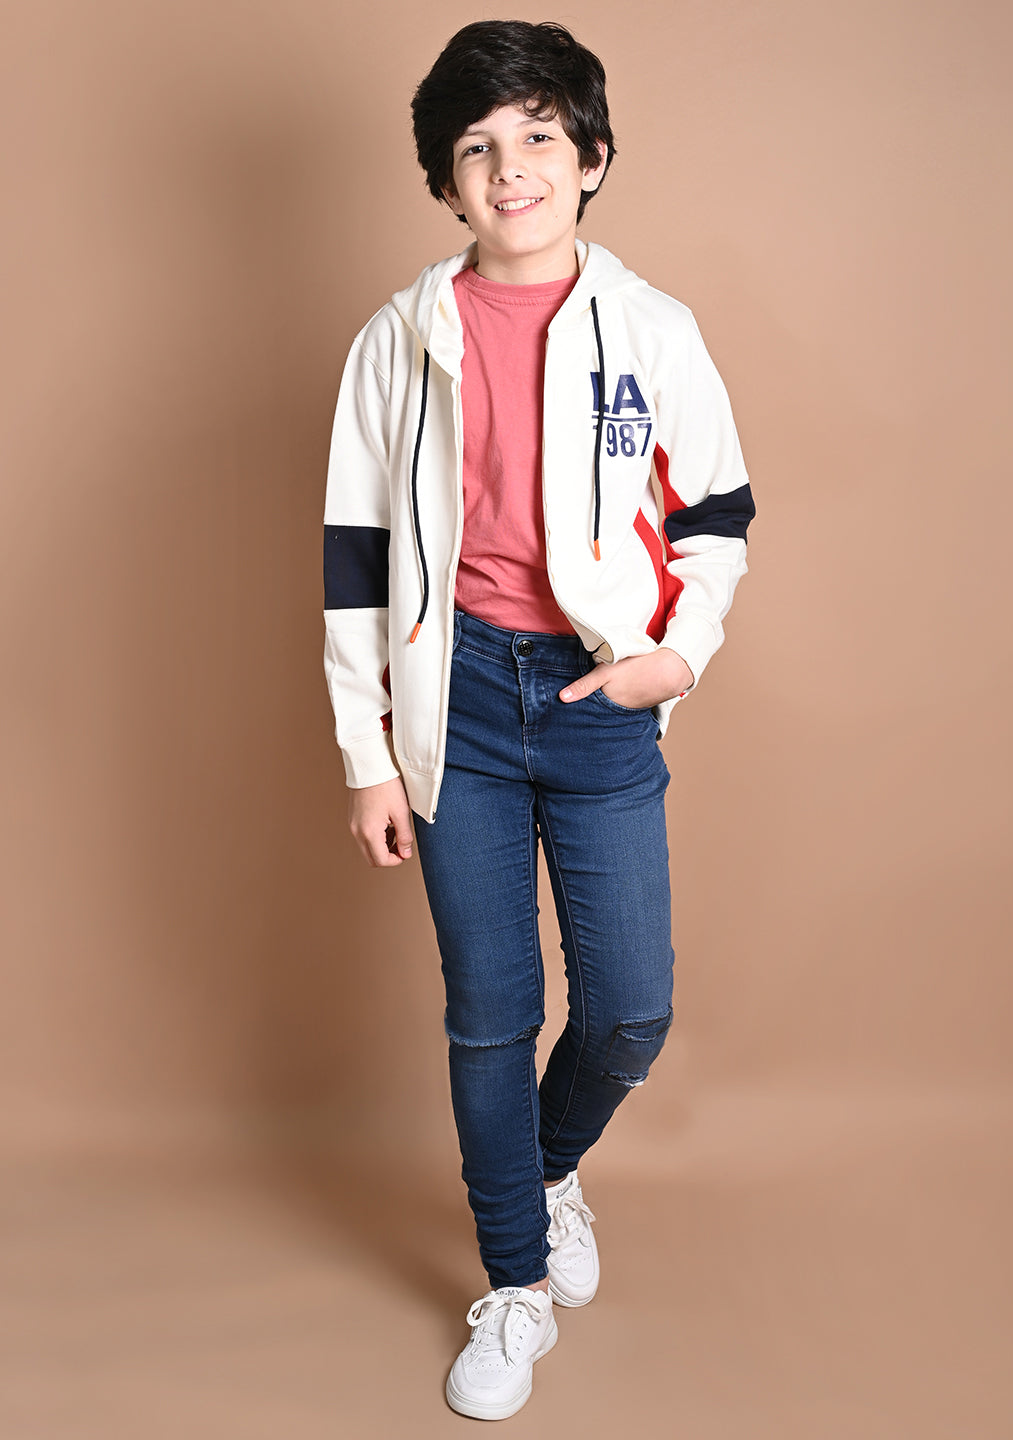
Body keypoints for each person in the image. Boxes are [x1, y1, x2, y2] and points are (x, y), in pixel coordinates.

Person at [322, 19, 755, 1421]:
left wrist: (674, 658)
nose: (510, 168)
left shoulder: (655, 331)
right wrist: (368, 754)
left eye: (538, 138)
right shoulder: (399, 340)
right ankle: (511, 1281)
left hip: (594, 697)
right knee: (490, 1015)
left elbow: (719, 518)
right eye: (477, 147)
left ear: (592, 158)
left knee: (629, 1007)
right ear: (447, 182)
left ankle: (546, 1168)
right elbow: (354, 561)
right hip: (454, 704)